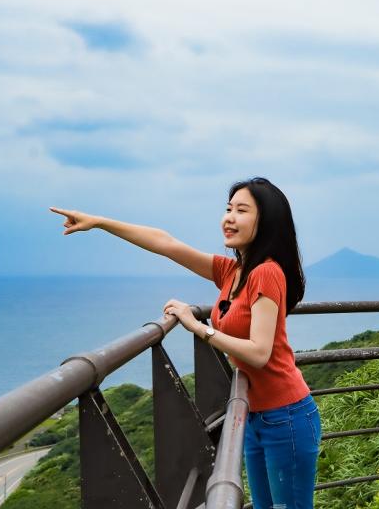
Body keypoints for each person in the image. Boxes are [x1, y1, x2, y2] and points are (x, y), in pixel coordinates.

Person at [50, 177, 320, 509]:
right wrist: (101, 223)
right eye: (228, 209)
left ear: (265, 222)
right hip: (254, 415)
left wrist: (199, 328)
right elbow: (166, 243)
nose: (229, 217)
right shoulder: (233, 271)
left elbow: (260, 353)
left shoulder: (267, 273)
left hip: (286, 417)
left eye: (242, 210)